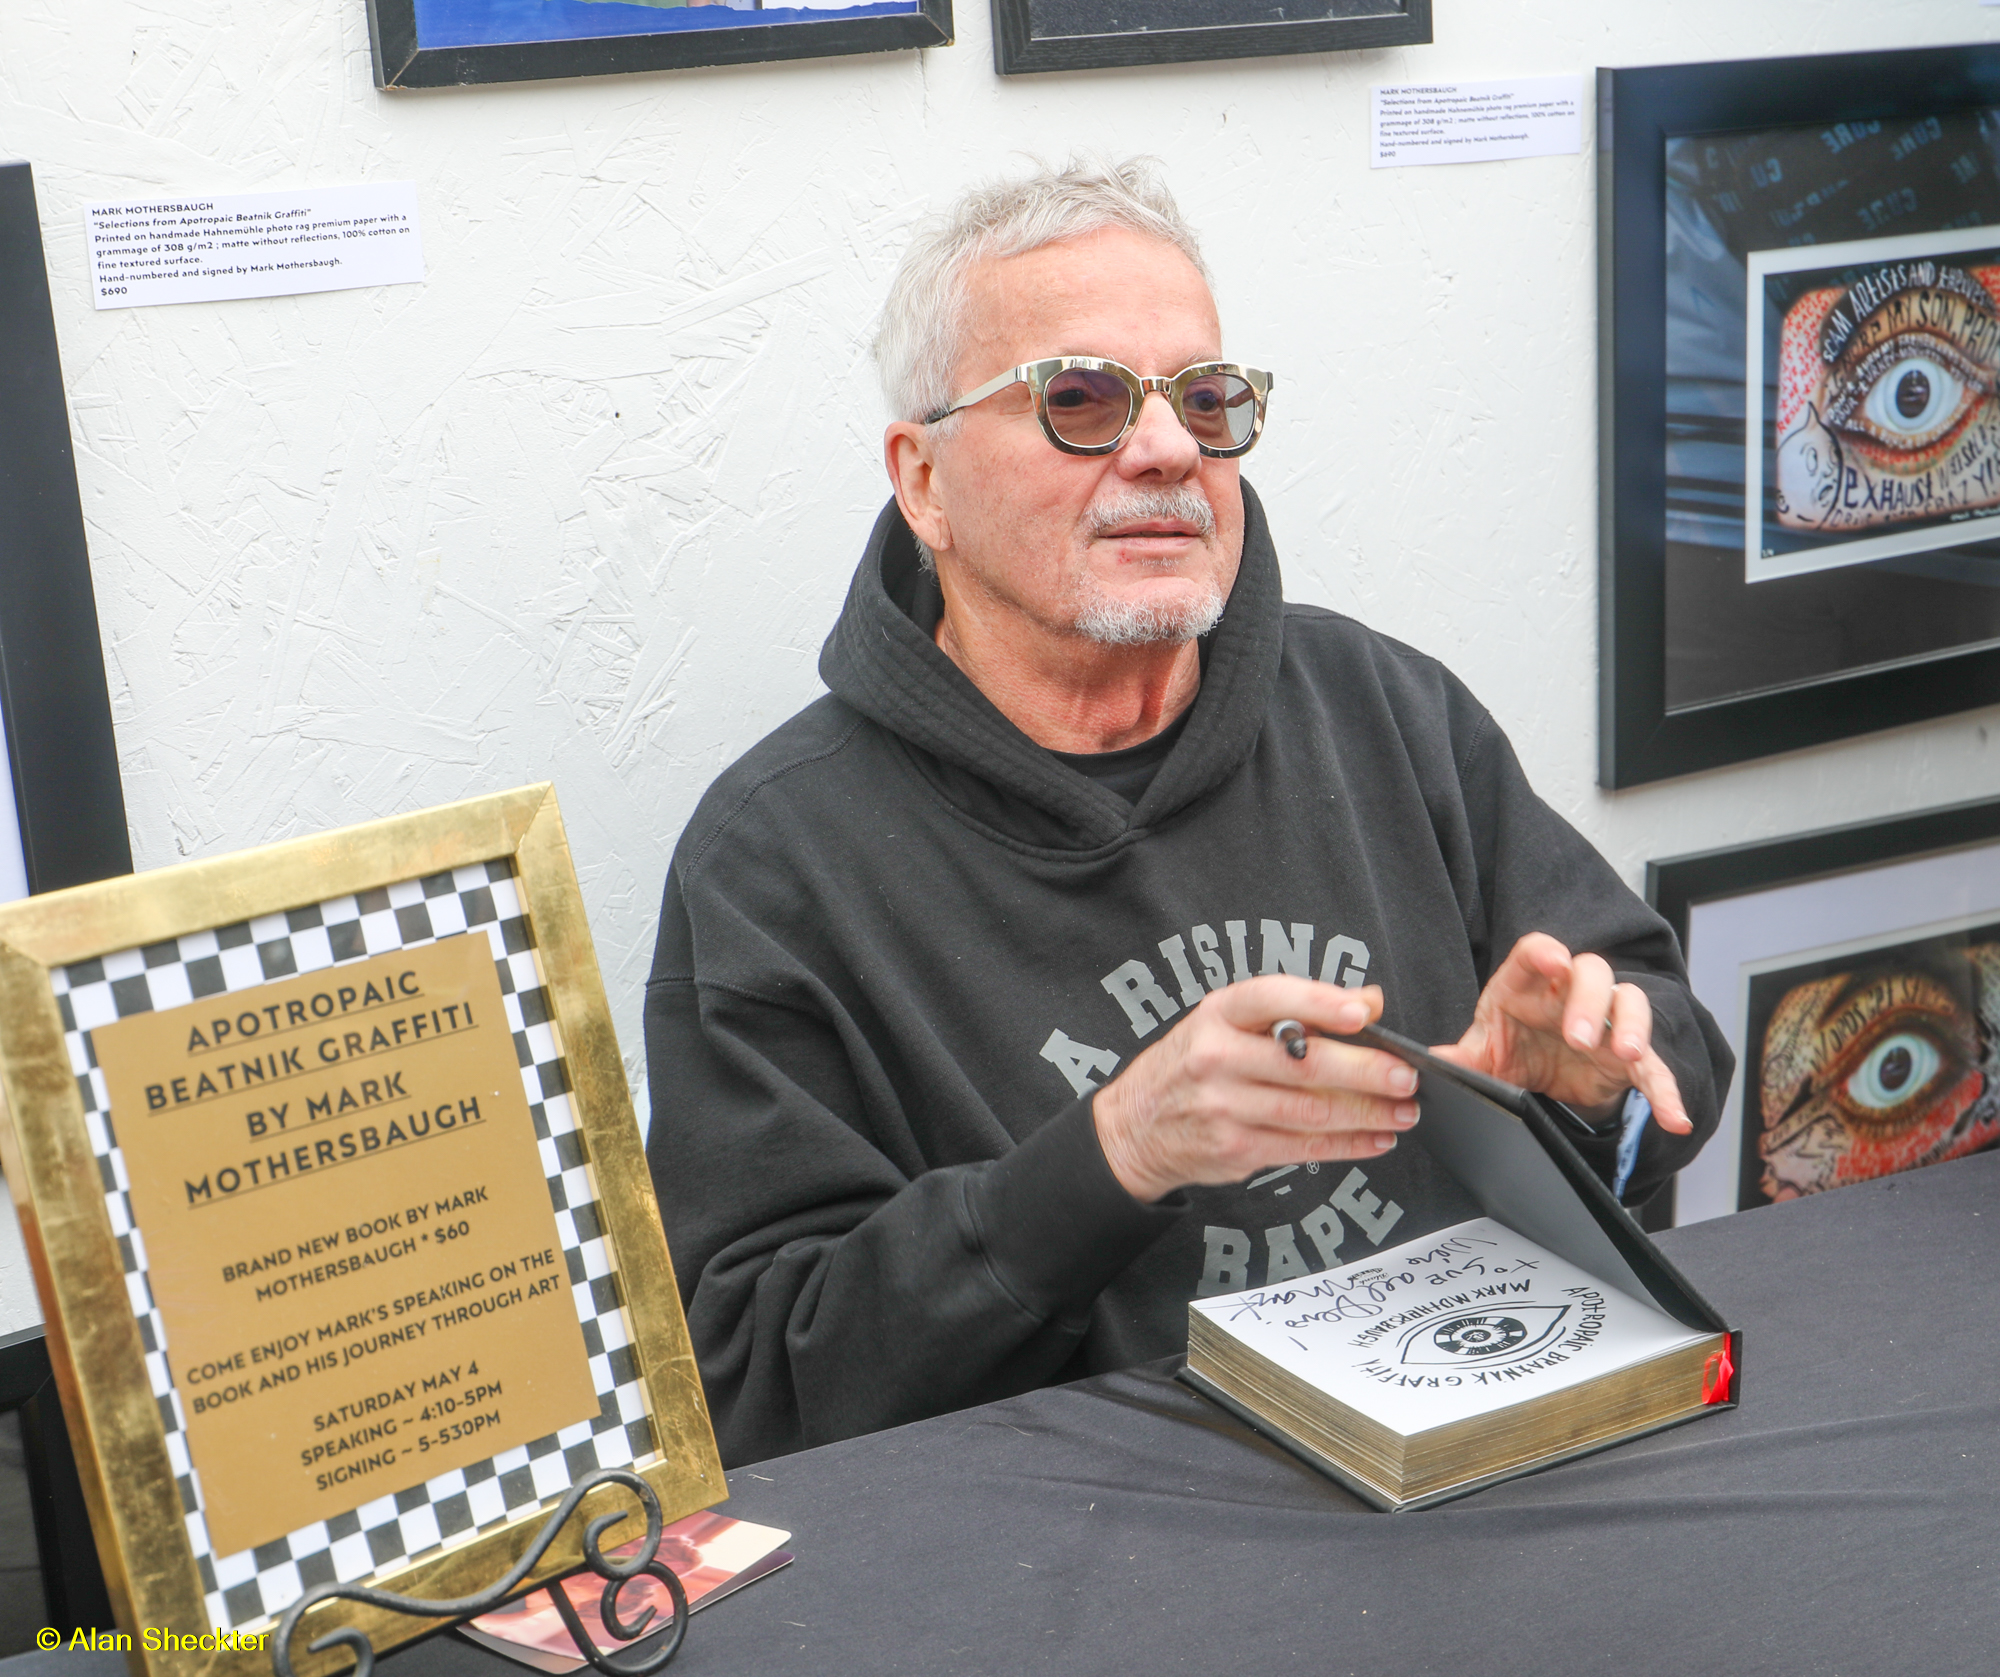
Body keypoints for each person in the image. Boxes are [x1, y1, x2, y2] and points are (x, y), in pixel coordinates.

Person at [643, 158, 1732, 1468]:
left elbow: (1670, 1058)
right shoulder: (775, 859)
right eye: (1082, 398)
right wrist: (1111, 1155)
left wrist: (1587, 1085)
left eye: (1207, 399)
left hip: (1475, 1477)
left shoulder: (1386, 709)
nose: (1166, 447)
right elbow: (758, 1381)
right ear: (922, 478)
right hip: (1086, 1564)